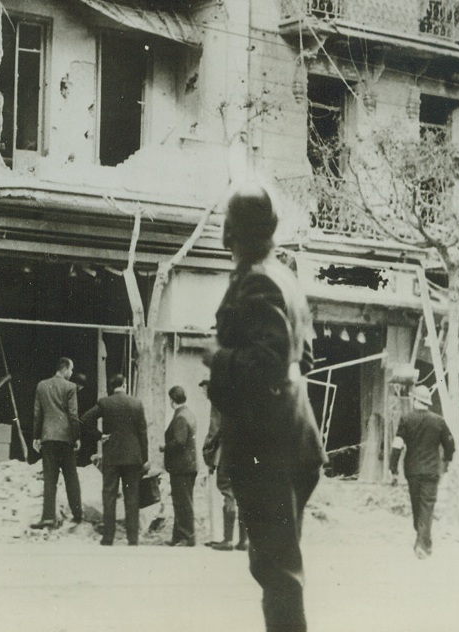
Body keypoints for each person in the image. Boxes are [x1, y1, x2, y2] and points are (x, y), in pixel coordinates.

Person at [205, 183, 325, 632]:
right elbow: (303, 358)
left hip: (269, 448)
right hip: (292, 440)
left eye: (229, 229)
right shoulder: (285, 277)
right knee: (280, 568)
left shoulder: (256, 278)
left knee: (277, 573)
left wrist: (217, 358)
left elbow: (269, 363)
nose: (224, 239)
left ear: (235, 232)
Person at [82, 374, 149, 547]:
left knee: (109, 496)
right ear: (125, 384)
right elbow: (143, 433)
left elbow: (85, 419)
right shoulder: (136, 403)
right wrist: (145, 458)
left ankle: (108, 538)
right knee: (132, 497)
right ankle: (132, 539)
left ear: (112, 387)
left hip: (111, 456)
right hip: (133, 458)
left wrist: (100, 436)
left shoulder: (105, 403)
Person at [390, 384, 454, 559]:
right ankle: (424, 543)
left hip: (412, 471)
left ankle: (422, 544)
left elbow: (397, 445)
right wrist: (447, 461)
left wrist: (393, 466)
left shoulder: (406, 419)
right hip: (432, 471)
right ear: (427, 402)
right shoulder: (438, 421)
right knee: (427, 507)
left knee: (417, 507)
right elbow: (450, 444)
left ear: (414, 400)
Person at [31, 357, 83, 529]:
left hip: (48, 438)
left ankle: (47, 518)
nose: (72, 373)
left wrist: (36, 437)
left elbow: (38, 415)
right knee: (71, 477)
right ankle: (77, 515)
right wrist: (76, 437)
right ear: (65, 369)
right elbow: (73, 415)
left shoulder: (41, 385)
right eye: (71, 369)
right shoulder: (70, 387)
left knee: (49, 479)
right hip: (66, 439)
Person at [201, 381, 246, 552]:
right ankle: (244, 541)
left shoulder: (219, 401)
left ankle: (227, 540)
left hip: (227, 453)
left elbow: (214, 430)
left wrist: (207, 452)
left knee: (228, 492)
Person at [162, 385, 199, 547]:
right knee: (181, 500)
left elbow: (179, 441)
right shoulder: (188, 413)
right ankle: (178, 536)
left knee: (183, 502)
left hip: (181, 466)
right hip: (187, 465)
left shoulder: (181, 417)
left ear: (173, 399)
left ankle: (187, 537)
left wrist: (165, 447)